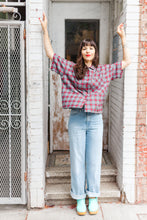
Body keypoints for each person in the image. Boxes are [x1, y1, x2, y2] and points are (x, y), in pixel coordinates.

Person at [39, 12, 131, 216]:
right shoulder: (71, 69)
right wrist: (45, 30)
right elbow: (51, 54)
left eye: (91, 47)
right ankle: (80, 197)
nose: (88, 50)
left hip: (96, 120)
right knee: (78, 159)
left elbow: (126, 61)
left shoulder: (103, 71)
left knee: (94, 159)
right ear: (80, 51)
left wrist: (123, 37)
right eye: (84, 47)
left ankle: (93, 196)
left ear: (94, 52)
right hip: (77, 119)